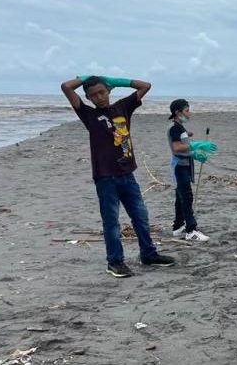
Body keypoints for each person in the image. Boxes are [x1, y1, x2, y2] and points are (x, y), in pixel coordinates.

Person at [61, 75, 175, 277]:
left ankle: (148, 254)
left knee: (140, 217)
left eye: (102, 92)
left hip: (127, 175)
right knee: (111, 222)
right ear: (88, 98)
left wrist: (115, 81)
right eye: (93, 95)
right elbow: (67, 87)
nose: (99, 97)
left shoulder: (123, 107)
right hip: (105, 178)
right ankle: (114, 261)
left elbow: (145, 86)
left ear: (109, 91)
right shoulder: (88, 114)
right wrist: (86, 77)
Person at [167, 99, 215, 242]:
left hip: (185, 164)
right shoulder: (174, 127)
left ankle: (178, 226)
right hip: (179, 167)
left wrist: (195, 153)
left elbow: (185, 142)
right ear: (178, 112)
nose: (189, 113)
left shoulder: (179, 126)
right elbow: (176, 147)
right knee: (187, 197)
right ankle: (191, 231)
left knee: (180, 197)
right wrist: (197, 145)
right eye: (187, 110)